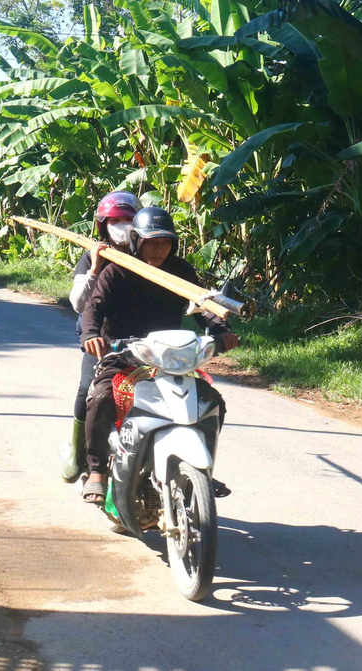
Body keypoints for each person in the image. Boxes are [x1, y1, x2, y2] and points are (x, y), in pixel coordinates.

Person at [79, 206, 239, 504]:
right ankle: (97, 470)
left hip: (171, 355)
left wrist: (222, 331)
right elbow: (94, 307)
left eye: (165, 242)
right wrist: (91, 336)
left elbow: (202, 305)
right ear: (137, 240)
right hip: (124, 354)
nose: (159, 249)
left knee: (211, 402)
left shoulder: (181, 271)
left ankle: (202, 468)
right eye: (152, 242)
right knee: (101, 398)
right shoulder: (116, 268)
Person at [60, 191, 141, 483]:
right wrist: (95, 267)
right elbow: (78, 303)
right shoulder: (91, 256)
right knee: (87, 390)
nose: (122, 225)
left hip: (141, 338)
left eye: (128, 220)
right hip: (101, 338)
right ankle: (80, 454)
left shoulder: (149, 254)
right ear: (102, 224)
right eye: (115, 221)